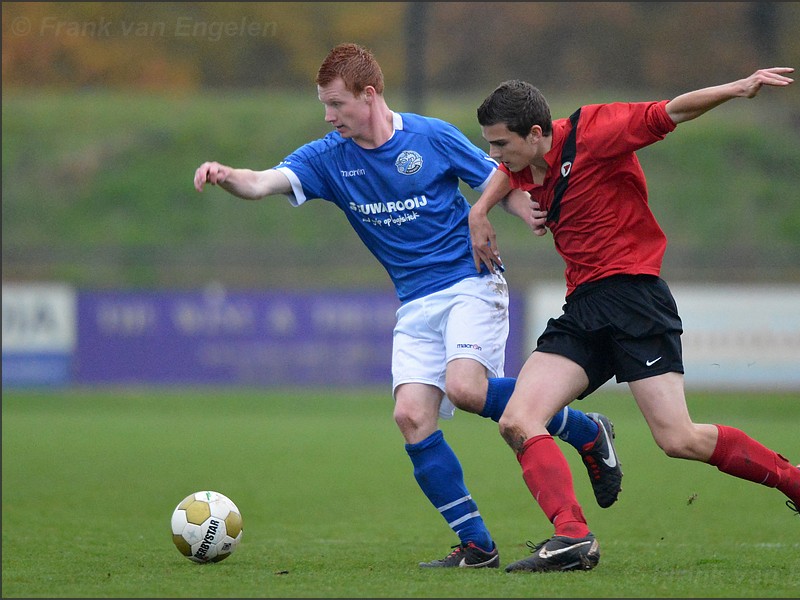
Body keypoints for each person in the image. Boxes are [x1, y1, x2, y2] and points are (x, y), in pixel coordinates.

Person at [193, 43, 624, 569]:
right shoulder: (329, 157)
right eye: (324, 107)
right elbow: (262, 182)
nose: (329, 118)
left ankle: (584, 432)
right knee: (411, 417)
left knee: (466, 389)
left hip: (471, 283)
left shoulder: (430, 136)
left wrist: (522, 211)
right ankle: (477, 545)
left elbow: (498, 176)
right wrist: (226, 174)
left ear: (368, 95)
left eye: (336, 105)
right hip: (414, 303)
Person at [468, 67, 800, 573]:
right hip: (584, 307)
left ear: (536, 133)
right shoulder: (522, 159)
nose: (494, 155)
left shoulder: (598, 130)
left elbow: (674, 110)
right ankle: (573, 536)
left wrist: (736, 88)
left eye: (500, 144)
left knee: (677, 439)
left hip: (636, 298)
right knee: (517, 419)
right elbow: (505, 172)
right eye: (489, 145)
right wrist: (480, 209)